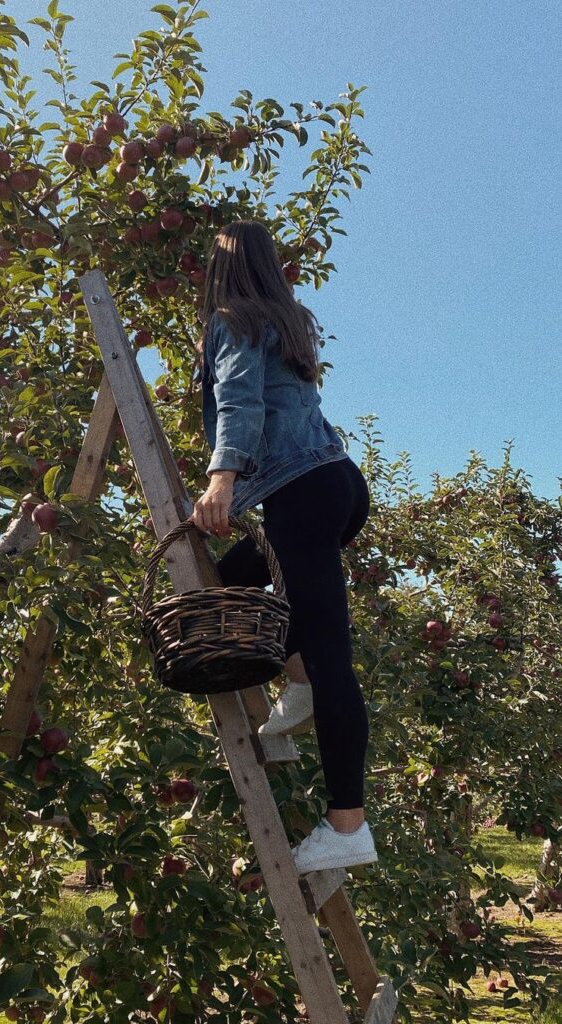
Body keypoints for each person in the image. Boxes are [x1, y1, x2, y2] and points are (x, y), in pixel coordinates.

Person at [187, 219, 378, 875]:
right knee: (233, 576)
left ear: (224, 269)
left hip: (301, 491)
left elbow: (239, 399)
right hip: (337, 485)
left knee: (332, 659)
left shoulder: (232, 318)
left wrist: (221, 477)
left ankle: (346, 823)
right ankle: (293, 683)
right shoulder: (286, 318)